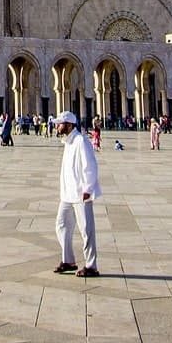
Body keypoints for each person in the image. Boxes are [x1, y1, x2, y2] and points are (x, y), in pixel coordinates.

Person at [52, 112, 101, 278]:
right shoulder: (68, 142)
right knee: (61, 224)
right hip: (67, 195)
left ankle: (91, 265)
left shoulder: (81, 141)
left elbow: (91, 166)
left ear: (69, 125)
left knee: (86, 230)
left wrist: (88, 189)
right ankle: (69, 260)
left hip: (81, 194)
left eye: (60, 124)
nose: (57, 126)